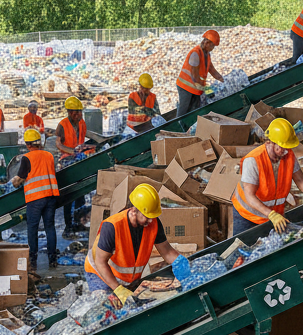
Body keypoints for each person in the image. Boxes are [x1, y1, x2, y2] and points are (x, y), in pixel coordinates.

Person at [84, 184, 179, 303]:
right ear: (134, 211)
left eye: (152, 216)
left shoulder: (153, 223)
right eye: (147, 216)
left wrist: (180, 263)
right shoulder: (112, 226)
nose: (151, 221)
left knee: (131, 305)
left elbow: (167, 251)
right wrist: (119, 290)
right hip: (99, 273)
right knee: (108, 307)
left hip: (127, 278)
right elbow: (100, 262)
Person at [230, 118, 303, 237]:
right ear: (271, 142)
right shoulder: (253, 160)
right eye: (282, 147)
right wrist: (271, 214)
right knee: (243, 250)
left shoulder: (288, 155)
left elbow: (301, 181)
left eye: (288, 147)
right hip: (248, 216)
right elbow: (249, 195)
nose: (286, 151)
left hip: (273, 214)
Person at [10, 128, 60, 268]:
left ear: (28, 144)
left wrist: (13, 182)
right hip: (50, 196)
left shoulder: (27, 158)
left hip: (35, 198)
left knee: (32, 228)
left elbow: (20, 178)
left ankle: (32, 260)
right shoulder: (49, 155)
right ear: (40, 142)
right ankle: (52, 260)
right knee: (50, 227)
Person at [56, 96, 88, 239]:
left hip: (79, 161)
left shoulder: (82, 123)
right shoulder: (62, 125)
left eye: (80, 112)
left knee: (81, 194)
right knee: (68, 196)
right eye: (76, 112)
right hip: (66, 161)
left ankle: (79, 223)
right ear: (69, 112)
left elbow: (82, 140)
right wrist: (72, 151)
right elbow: (58, 144)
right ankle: (68, 226)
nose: (79, 115)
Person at [176, 30, 224, 117]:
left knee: (194, 110)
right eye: (212, 46)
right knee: (184, 110)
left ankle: (189, 128)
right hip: (185, 86)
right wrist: (205, 88)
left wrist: (222, 79)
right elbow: (195, 76)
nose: (213, 48)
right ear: (207, 43)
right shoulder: (195, 53)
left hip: (195, 87)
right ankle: (177, 127)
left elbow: (212, 70)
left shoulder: (206, 54)